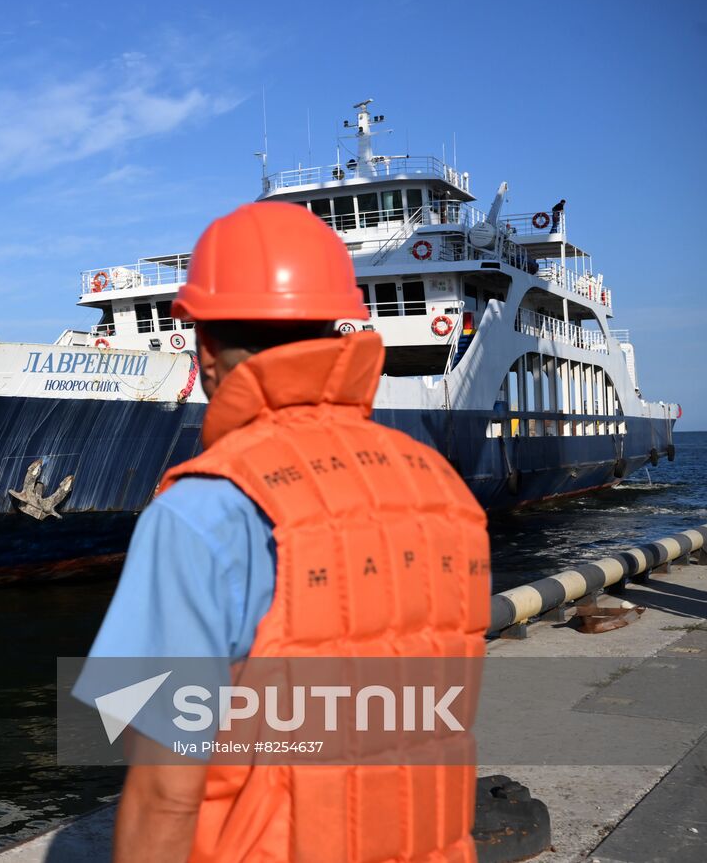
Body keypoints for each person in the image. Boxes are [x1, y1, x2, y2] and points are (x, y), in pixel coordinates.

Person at [74, 202, 489, 863]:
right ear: (336, 327)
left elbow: (164, 792)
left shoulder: (201, 510)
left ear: (207, 352)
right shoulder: (440, 486)